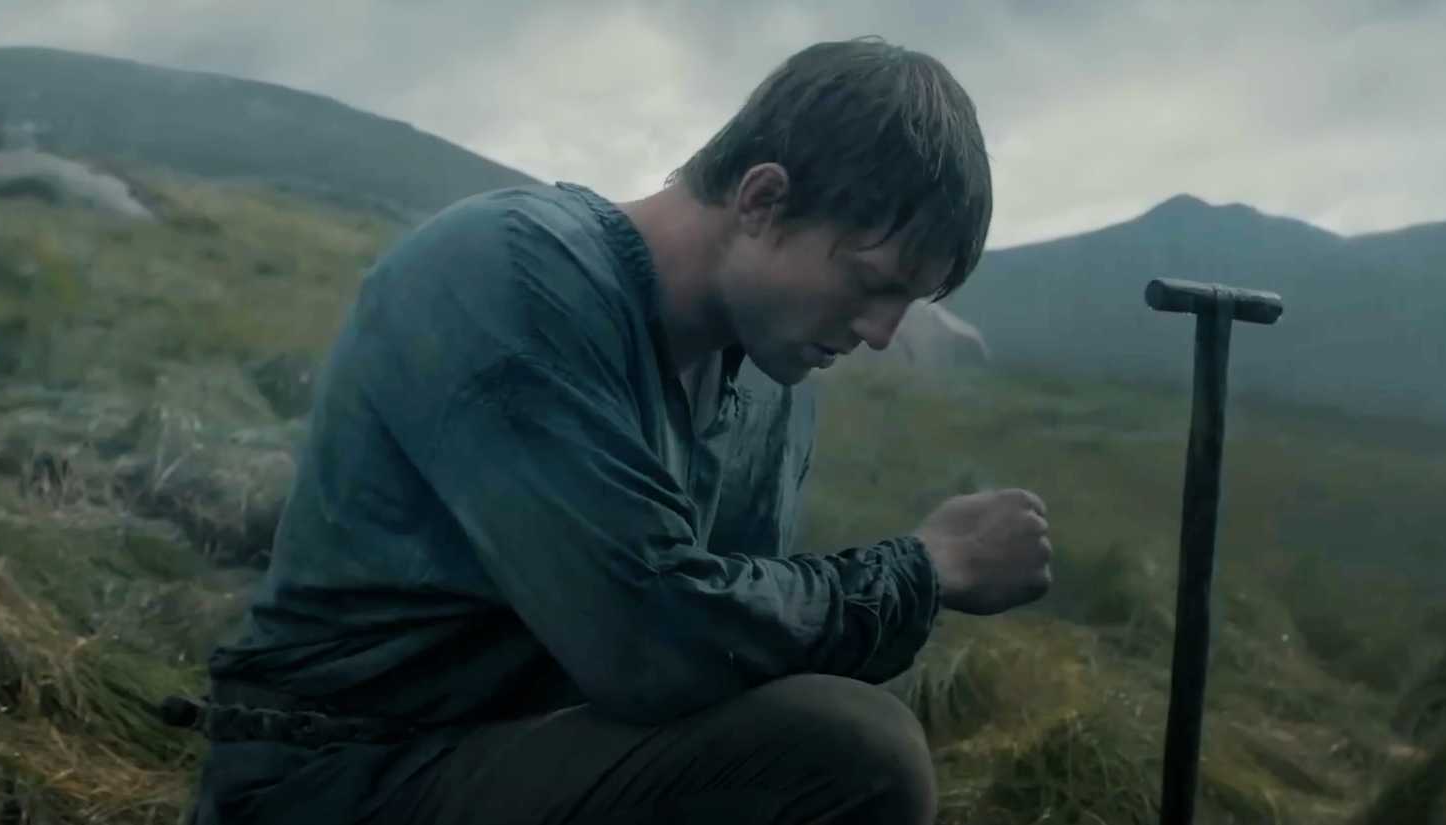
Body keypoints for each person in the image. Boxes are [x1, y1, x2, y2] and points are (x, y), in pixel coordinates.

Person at [178, 36, 1054, 825]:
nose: (880, 333)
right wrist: (925, 568)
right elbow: (654, 643)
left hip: (525, 758)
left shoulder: (772, 384)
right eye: (872, 283)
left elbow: (737, 663)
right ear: (763, 199)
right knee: (858, 753)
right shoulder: (509, 272)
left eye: (907, 303)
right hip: (338, 778)